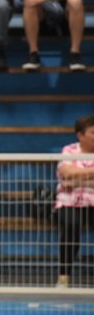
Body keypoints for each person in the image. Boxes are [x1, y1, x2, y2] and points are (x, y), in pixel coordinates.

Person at [54, 114, 94, 288]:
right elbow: (66, 174)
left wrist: (76, 179)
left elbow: (71, 177)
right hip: (68, 201)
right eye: (93, 132)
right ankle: (64, 277)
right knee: (71, 226)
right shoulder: (69, 150)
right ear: (80, 135)